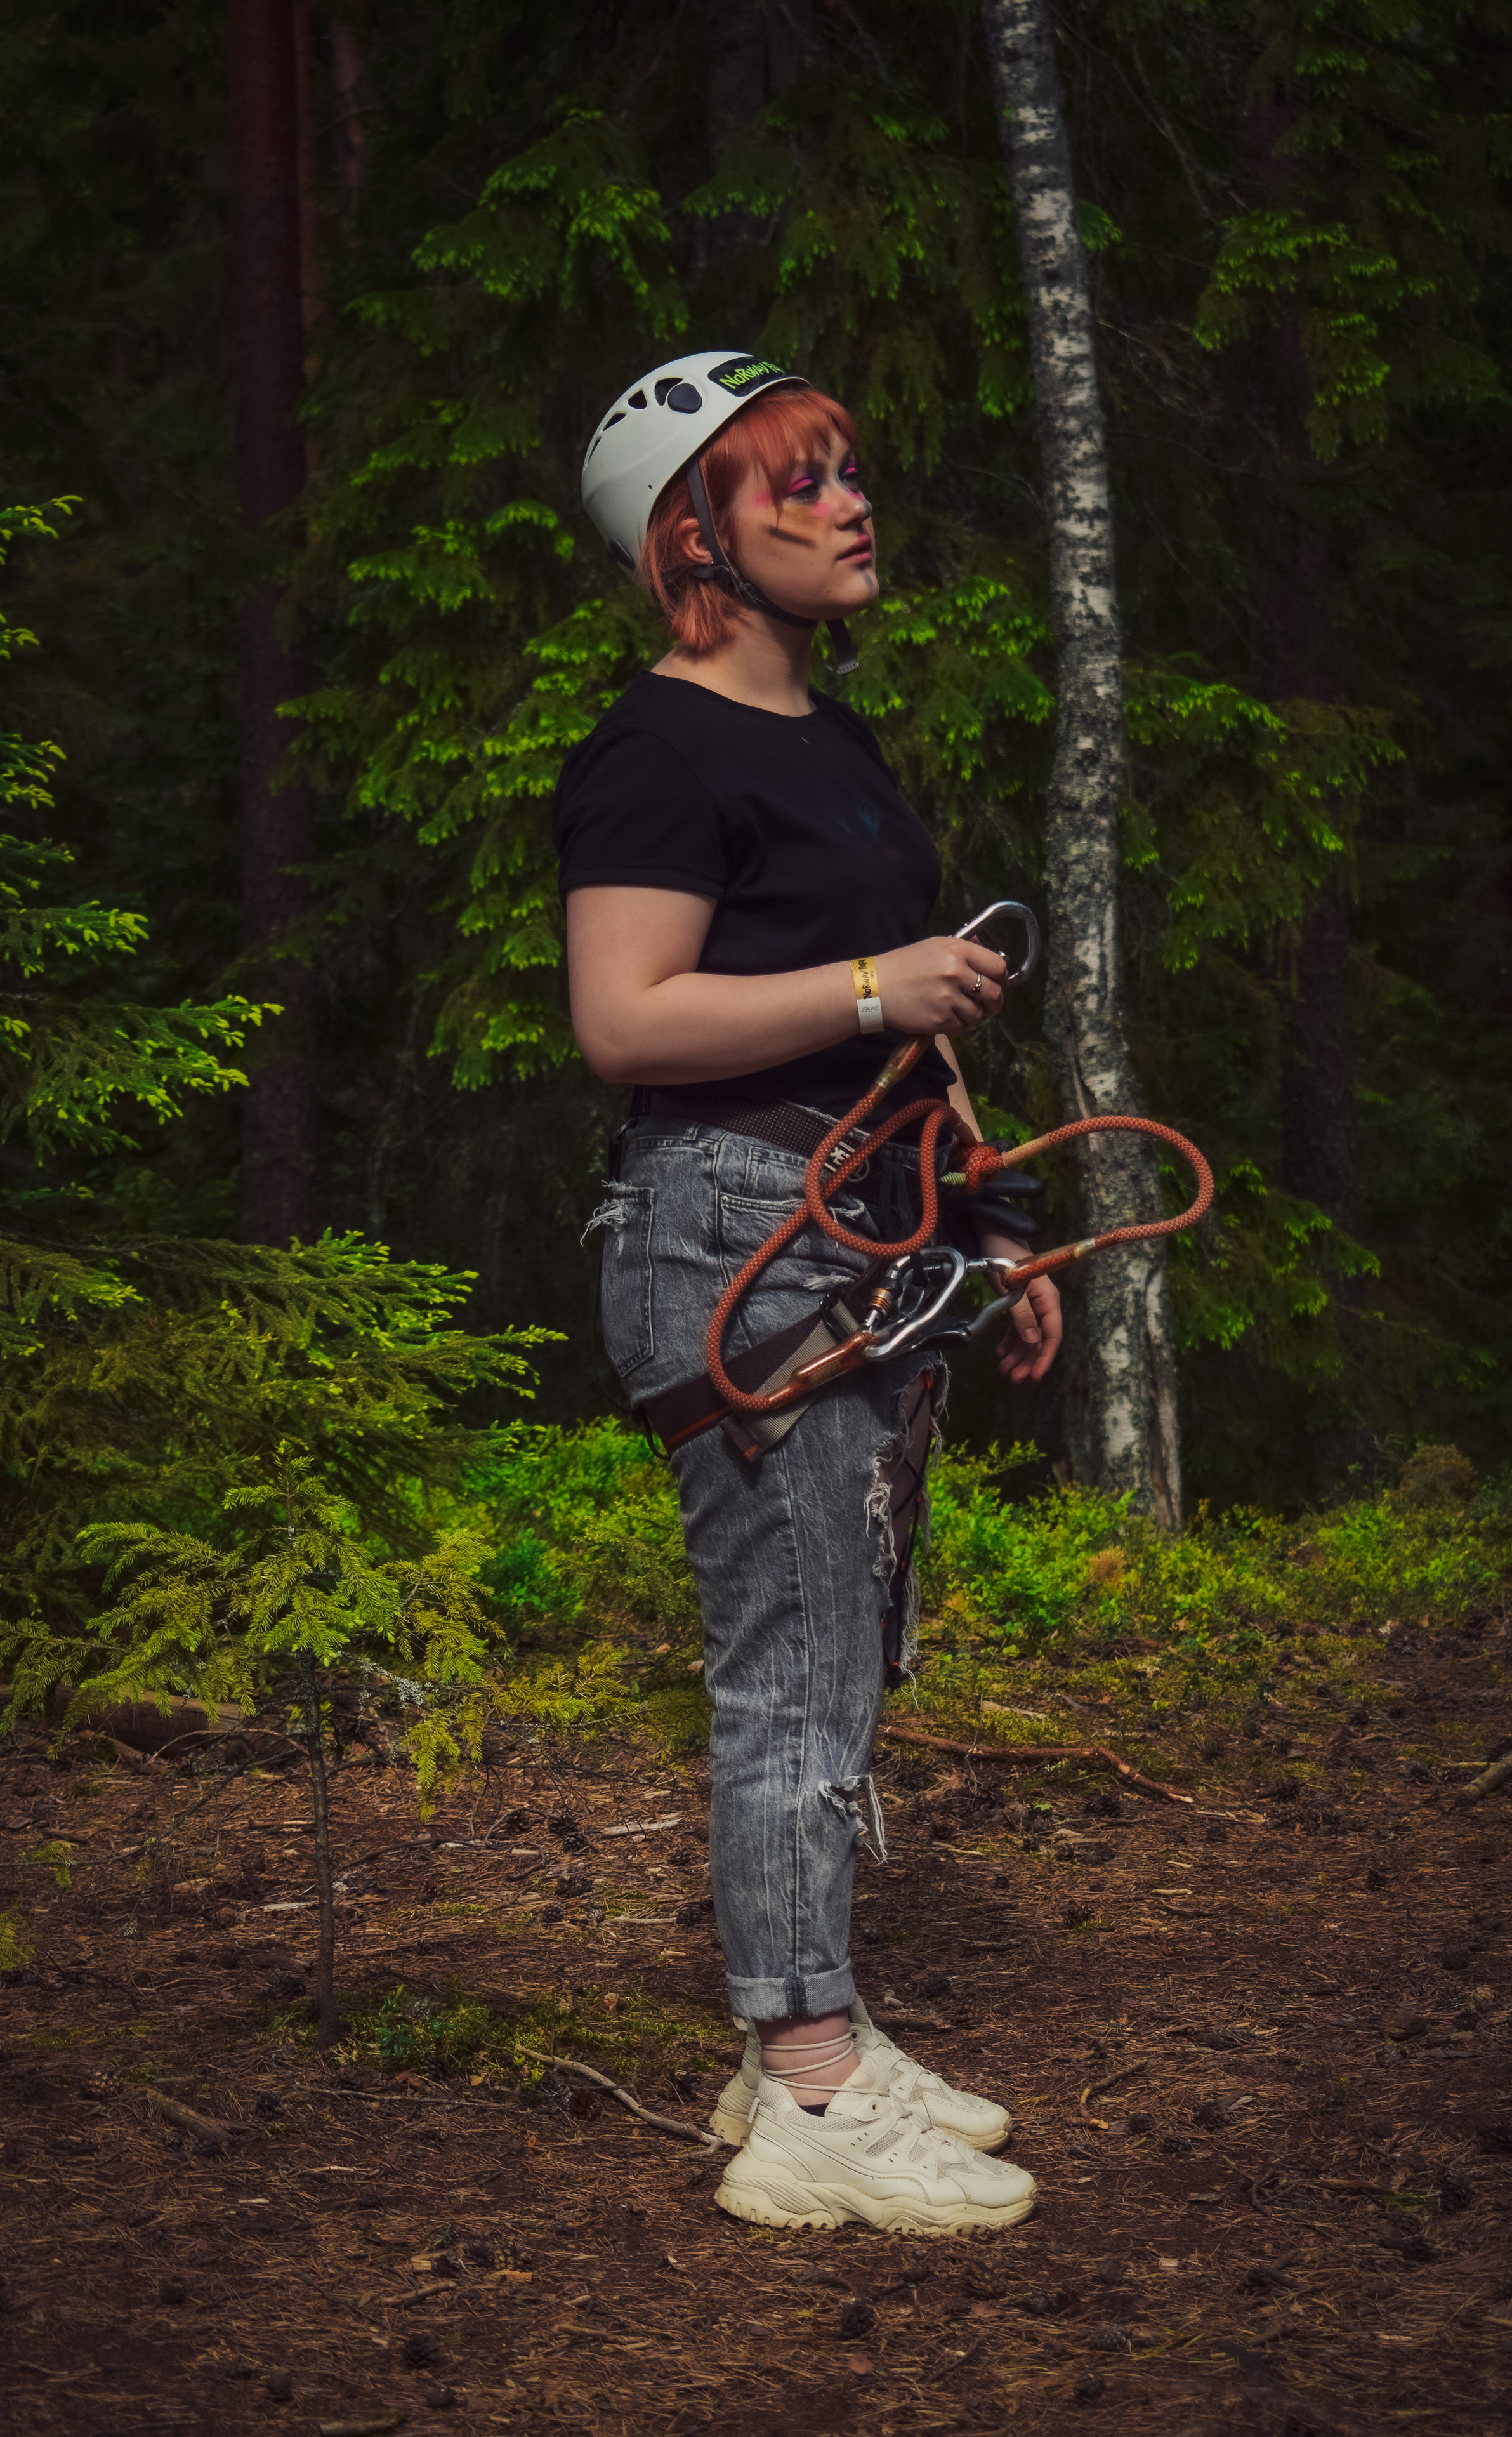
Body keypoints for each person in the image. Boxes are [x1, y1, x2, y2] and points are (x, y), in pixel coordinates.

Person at [554, 350, 1062, 2235]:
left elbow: (904, 1031)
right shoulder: (654, 751)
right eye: (801, 486)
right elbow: (627, 1020)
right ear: (697, 535)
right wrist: (872, 990)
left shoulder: (833, 747)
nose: (854, 507)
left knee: (847, 1653)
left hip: (862, 1223)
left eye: (851, 472)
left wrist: (991, 1226)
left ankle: (816, 2028)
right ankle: (810, 2082)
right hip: (730, 1236)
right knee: (793, 1666)